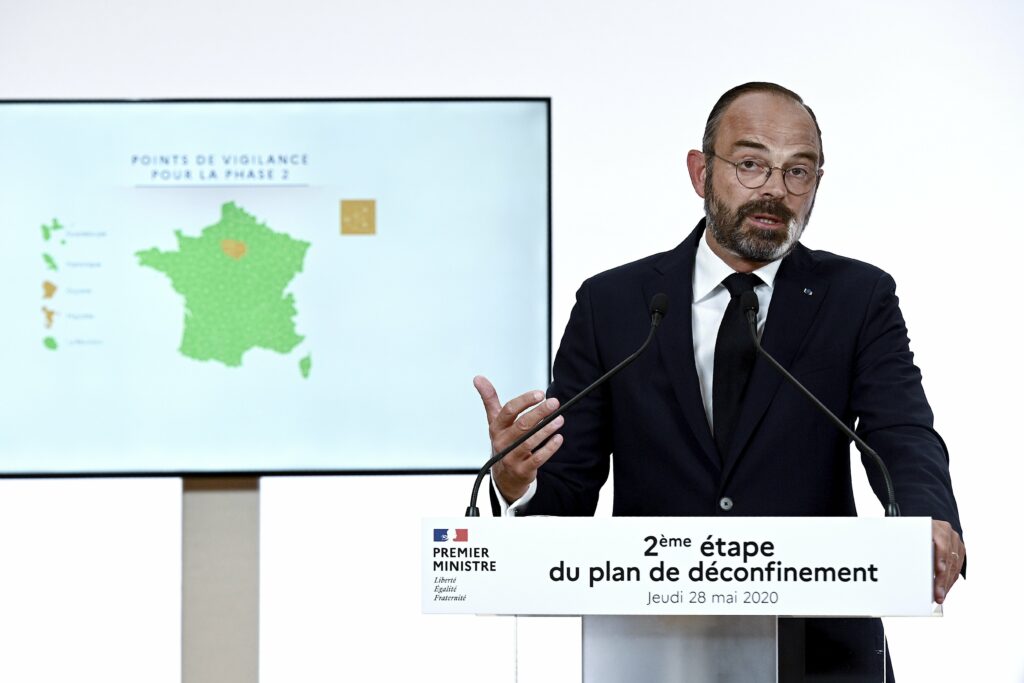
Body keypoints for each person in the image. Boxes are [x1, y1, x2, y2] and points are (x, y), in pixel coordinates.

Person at [473, 82, 965, 678]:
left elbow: (902, 431)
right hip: (655, 651)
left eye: (798, 171)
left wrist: (926, 515)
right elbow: (567, 492)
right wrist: (516, 482)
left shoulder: (859, 298)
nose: (775, 190)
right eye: (751, 164)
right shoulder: (614, 305)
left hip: (820, 652)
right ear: (700, 172)